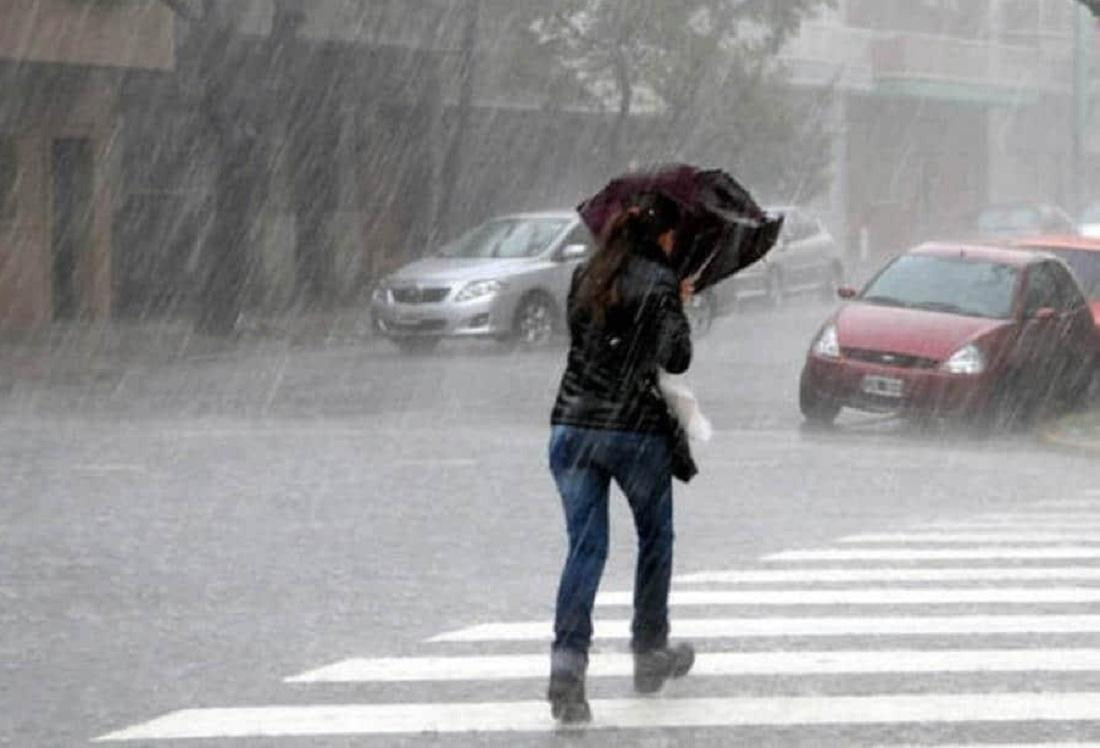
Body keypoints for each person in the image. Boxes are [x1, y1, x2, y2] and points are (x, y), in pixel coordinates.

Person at [547, 191, 696, 724]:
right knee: (655, 538)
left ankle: (566, 672)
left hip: (571, 427)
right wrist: (677, 302)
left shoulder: (585, 275)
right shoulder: (658, 282)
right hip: (633, 432)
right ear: (662, 235)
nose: (675, 243)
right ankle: (649, 651)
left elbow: (588, 342)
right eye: (674, 235)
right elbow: (674, 356)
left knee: (585, 550)